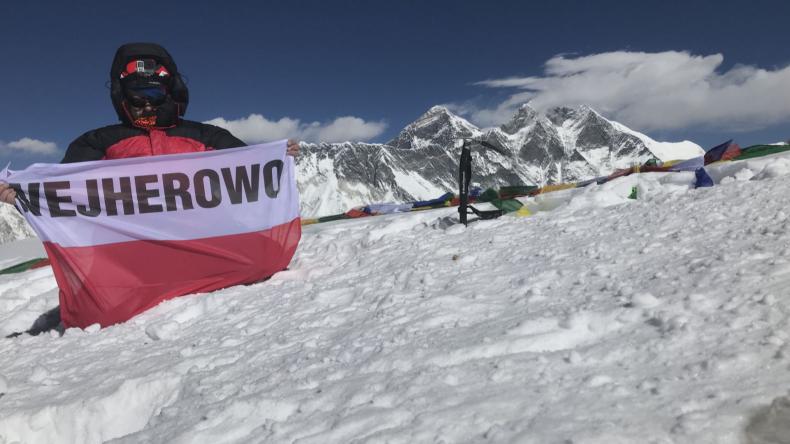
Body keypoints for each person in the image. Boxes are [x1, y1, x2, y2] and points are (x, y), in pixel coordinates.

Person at [0, 42, 298, 204]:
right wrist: (20, 197)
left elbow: (251, 176)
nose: (146, 105)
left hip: (207, 246)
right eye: (136, 97)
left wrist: (277, 156)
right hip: (130, 262)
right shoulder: (97, 142)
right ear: (122, 99)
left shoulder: (208, 136)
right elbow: (60, 195)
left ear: (171, 94)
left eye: (154, 96)